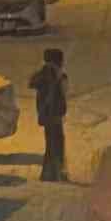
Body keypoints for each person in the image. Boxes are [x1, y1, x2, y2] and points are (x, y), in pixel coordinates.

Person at [31, 47, 69, 181]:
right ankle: (53, 174)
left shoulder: (52, 73)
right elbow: (39, 85)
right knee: (55, 143)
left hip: (51, 114)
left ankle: (52, 174)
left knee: (54, 143)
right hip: (51, 115)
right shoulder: (49, 73)